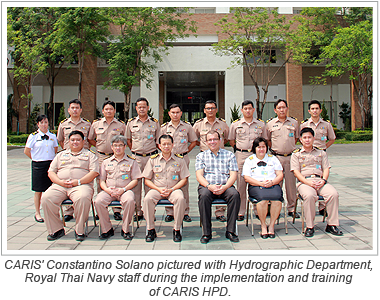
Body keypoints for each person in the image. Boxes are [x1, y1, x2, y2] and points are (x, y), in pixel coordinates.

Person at [41, 131, 99, 241]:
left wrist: (78, 182)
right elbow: (51, 172)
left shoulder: (90, 155)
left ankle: (80, 230)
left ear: (83, 142)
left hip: (81, 185)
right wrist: (60, 182)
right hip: (60, 185)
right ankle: (56, 229)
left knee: (82, 198)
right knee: (46, 198)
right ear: (68, 141)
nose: (75, 142)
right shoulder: (60, 155)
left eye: (78, 140)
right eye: (72, 140)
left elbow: (94, 172)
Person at [290, 127, 343, 238]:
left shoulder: (321, 152)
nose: (307, 140)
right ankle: (310, 226)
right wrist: (307, 183)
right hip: (305, 182)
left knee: (333, 194)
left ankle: (332, 224)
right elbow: (296, 172)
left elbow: (326, 168)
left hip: (320, 181)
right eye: (305, 138)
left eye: (309, 137)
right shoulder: (296, 154)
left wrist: (324, 180)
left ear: (314, 138)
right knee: (309, 196)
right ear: (300, 139)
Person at [142, 134, 189, 242]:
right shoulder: (153, 160)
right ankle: (150, 229)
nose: (166, 146)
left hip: (174, 189)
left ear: (173, 145)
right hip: (157, 189)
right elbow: (147, 179)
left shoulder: (179, 160)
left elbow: (184, 179)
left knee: (180, 199)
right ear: (159, 146)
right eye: (164, 144)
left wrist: (172, 189)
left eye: (169, 144)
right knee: (147, 199)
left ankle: (177, 229)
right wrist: (158, 189)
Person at [195, 130, 240, 244]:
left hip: (225, 186)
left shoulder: (229, 155)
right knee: (204, 196)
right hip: (207, 186)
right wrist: (209, 186)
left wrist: (225, 187)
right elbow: (199, 176)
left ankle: (230, 231)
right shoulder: (201, 156)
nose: (212, 142)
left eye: (215, 139)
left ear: (220, 141)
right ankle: (207, 232)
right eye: (210, 140)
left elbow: (233, 175)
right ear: (206, 142)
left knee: (234, 195)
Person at [94, 135, 142, 240]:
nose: (118, 148)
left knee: (129, 200)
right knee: (98, 201)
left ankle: (125, 229)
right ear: (111, 147)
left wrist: (123, 189)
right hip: (109, 191)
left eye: (120, 145)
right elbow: (101, 180)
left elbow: (135, 180)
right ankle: (107, 229)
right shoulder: (106, 162)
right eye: (115, 145)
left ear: (125, 147)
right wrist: (107, 190)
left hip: (125, 190)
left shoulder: (132, 161)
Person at [88, 100, 126, 220]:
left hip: (116, 156)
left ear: (114, 111)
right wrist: (99, 147)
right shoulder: (96, 124)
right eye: (106, 109)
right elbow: (90, 139)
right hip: (101, 156)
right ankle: (101, 209)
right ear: (103, 111)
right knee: (101, 181)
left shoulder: (120, 125)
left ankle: (117, 210)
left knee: (118, 179)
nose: (109, 111)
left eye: (111, 109)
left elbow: (125, 140)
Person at [160, 104, 197, 223]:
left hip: (182, 159)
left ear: (181, 113)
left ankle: (185, 212)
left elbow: (194, 141)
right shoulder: (164, 128)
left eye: (177, 112)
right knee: (168, 183)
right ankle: (170, 212)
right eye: (173, 112)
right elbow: (159, 143)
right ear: (169, 114)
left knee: (184, 185)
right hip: (168, 159)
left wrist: (185, 152)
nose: (175, 114)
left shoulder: (187, 126)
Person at [228, 100, 265, 221]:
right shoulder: (235, 125)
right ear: (242, 110)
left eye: (250, 108)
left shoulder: (261, 125)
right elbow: (232, 140)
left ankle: (257, 209)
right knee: (241, 184)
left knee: (257, 181)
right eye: (245, 109)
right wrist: (239, 150)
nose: (248, 111)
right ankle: (241, 210)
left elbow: (264, 141)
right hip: (241, 155)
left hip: (256, 156)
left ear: (253, 110)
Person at [193, 100, 229, 222]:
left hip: (221, 157)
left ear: (216, 110)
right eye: (208, 108)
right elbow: (193, 138)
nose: (210, 110)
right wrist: (205, 146)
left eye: (213, 108)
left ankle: (220, 213)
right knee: (206, 183)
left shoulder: (223, 124)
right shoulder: (198, 125)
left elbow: (228, 138)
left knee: (221, 180)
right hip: (205, 157)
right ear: (204, 110)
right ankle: (206, 212)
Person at [263, 99, 300, 218]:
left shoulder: (294, 123)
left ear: (287, 108)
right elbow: (268, 140)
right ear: (275, 110)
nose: (282, 110)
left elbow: (296, 138)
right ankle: (276, 209)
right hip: (276, 157)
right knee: (276, 184)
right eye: (279, 108)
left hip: (290, 157)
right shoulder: (270, 124)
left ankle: (291, 209)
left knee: (291, 185)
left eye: (284, 107)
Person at [57, 99, 92, 222]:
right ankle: (68, 211)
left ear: (81, 110)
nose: (75, 110)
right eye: (72, 108)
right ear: (69, 110)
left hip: (83, 158)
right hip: (67, 157)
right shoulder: (63, 124)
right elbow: (61, 140)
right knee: (67, 181)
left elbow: (90, 140)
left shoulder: (87, 124)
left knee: (81, 183)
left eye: (77, 108)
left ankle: (80, 209)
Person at [125, 97, 160, 221]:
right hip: (137, 158)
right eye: (139, 107)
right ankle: (138, 211)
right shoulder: (131, 123)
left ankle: (150, 212)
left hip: (151, 158)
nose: (142, 109)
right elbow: (128, 140)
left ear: (148, 108)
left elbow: (158, 141)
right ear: (136, 108)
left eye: (144, 106)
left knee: (150, 186)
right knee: (136, 186)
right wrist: (135, 151)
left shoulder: (155, 123)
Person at [242, 137, 284, 239]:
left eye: (263, 147)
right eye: (258, 147)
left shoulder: (273, 158)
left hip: (272, 185)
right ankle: (263, 225)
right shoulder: (249, 160)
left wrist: (272, 182)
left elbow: (280, 174)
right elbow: (247, 178)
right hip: (256, 186)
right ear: (254, 148)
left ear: (267, 148)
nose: (261, 149)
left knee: (277, 200)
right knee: (263, 200)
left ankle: (272, 226)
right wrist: (260, 184)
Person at [300, 99, 336, 216]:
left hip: (320, 155)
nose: (315, 111)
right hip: (307, 155)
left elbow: (332, 138)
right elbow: (300, 138)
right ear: (309, 110)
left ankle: (322, 207)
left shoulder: (326, 124)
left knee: (322, 177)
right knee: (308, 177)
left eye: (317, 109)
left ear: (320, 110)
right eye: (312, 109)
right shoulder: (304, 124)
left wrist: (323, 148)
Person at [24, 115, 58, 223]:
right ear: (38, 124)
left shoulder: (52, 136)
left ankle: (52, 212)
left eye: (46, 122)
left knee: (51, 190)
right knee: (38, 190)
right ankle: (37, 213)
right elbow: (27, 151)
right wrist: (36, 158)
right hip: (38, 165)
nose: (44, 124)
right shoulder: (33, 136)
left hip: (50, 165)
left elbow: (55, 149)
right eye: (41, 122)